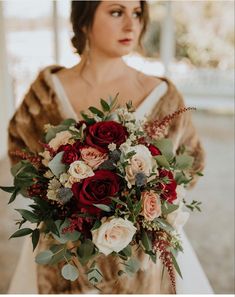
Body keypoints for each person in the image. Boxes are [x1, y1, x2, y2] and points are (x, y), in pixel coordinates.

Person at [7, 0, 213, 294]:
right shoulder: (47, 91)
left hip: (140, 266)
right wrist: (62, 196)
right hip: (62, 259)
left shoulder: (163, 96)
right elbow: (19, 156)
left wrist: (141, 202)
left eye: (137, 13)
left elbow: (190, 167)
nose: (132, 24)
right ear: (84, 19)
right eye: (116, 12)